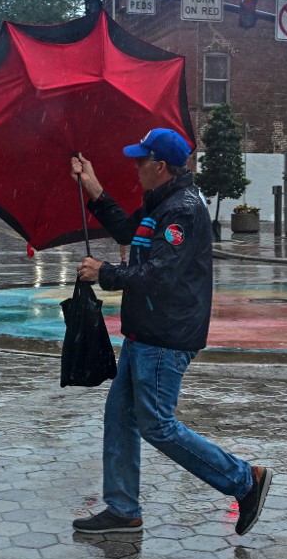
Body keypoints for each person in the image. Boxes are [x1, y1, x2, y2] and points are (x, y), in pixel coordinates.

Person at [69, 128, 272, 536]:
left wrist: (104, 272)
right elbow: (130, 233)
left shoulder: (182, 210)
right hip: (145, 332)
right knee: (120, 417)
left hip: (165, 336)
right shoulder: (162, 202)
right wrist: (93, 188)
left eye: (140, 161)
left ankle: (244, 480)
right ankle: (123, 508)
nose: (136, 167)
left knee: (157, 424)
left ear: (159, 166)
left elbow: (159, 274)